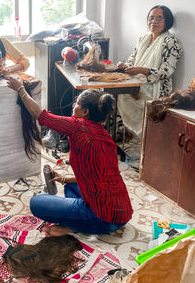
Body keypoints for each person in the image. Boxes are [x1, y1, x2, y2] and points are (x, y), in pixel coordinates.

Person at [7, 77, 133, 235]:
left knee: (36, 203)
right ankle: (79, 220)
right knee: (70, 186)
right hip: (123, 214)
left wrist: (20, 89)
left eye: (77, 104)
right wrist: (64, 179)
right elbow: (98, 177)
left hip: (102, 219)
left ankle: (73, 227)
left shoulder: (78, 126)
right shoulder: (105, 137)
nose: (73, 106)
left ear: (85, 112)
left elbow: (40, 115)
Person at [117, 5, 183, 136]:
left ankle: (136, 137)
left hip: (156, 88)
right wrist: (125, 65)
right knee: (117, 92)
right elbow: (133, 59)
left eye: (159, 18)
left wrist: (142, 70)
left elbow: (166, 71)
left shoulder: (171, 42)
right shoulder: (144, 38)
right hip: (138, 82)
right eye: (151, 18)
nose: (154, 21)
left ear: (167, 21)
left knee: (121, 93)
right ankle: (125, 135)